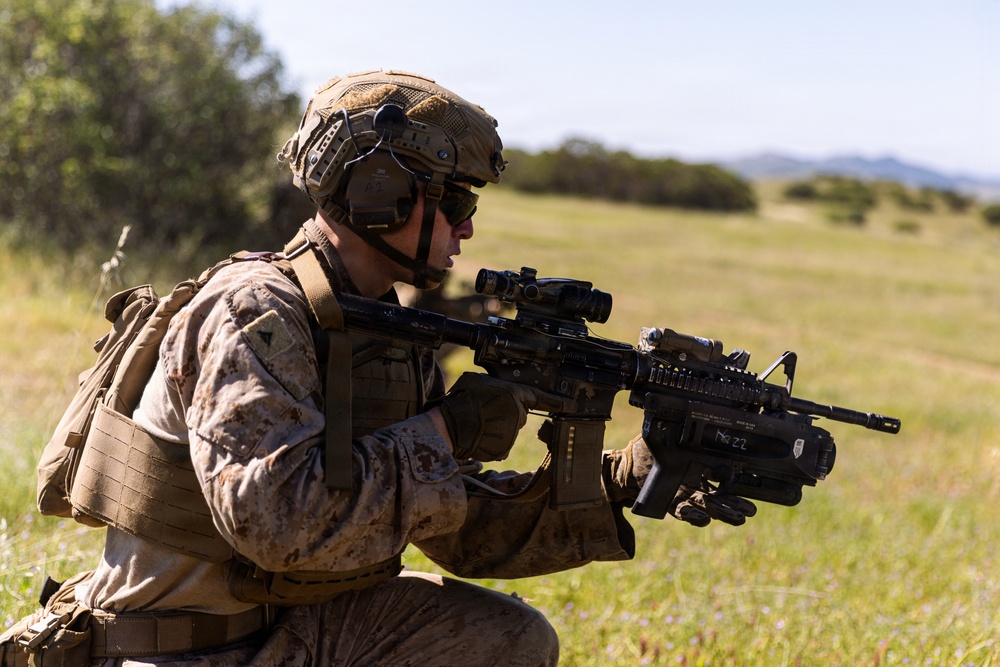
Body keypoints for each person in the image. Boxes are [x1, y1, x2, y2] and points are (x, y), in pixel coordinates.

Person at [1, 70, 755, 667]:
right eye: (454, 198)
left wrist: (622, 476)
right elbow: (282, 524)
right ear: (377, 194)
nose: (466, 227)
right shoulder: (254, 312)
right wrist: (450, 427)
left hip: (292, 629)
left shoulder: (383, 324)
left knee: (509, 639)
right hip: (189, 646)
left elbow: (458, 528)